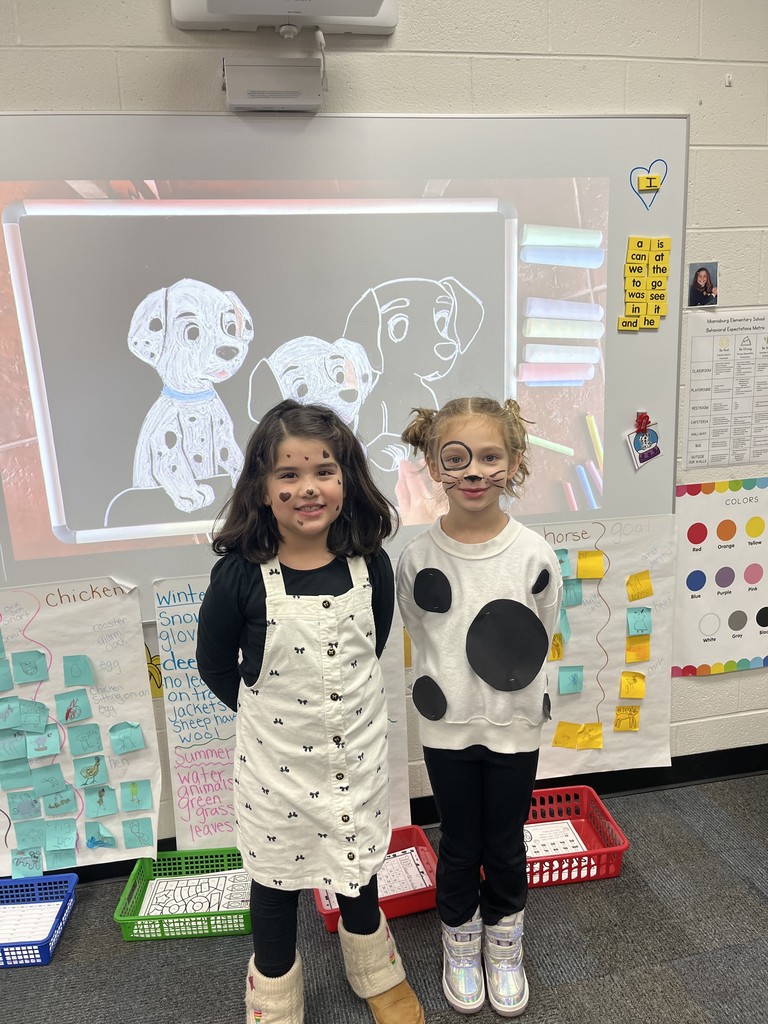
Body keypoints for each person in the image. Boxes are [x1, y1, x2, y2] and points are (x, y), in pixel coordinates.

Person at [197, 400, 424, 1024]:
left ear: (347, 480)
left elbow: (371, 645)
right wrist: (273, 723)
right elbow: (215, 666)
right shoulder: (239, 577)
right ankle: (274, 994)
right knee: (275, 882)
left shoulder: (371, 565)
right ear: (261, 488)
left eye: (323, 471)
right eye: (288, 475)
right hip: (276, 769)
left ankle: (375, 971)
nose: (307, 488)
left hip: (356, 755)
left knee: (358, 865)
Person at [396, 396, 562, 1018]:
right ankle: (460, 940)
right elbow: (422, 630)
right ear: (434, 465)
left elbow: (540, 627)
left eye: (490, 457)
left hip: (516, 722)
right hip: (446, 726)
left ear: (514, 463)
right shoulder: (418, 557)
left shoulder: (533, 552)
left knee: (506, 840)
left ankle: (504, 939)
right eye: (457, 458)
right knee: (461, 841)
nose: (474, 471)